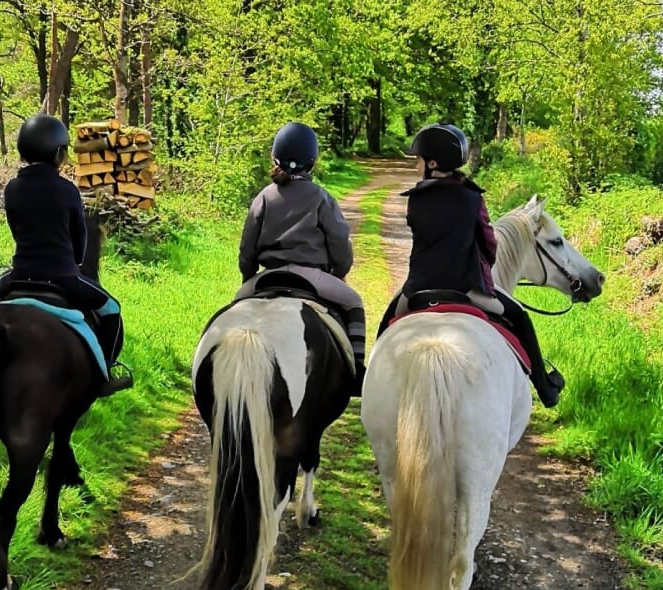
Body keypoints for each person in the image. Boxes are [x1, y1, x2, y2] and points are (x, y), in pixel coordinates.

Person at [378, 122, 563, 407]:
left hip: (418, 289)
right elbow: (489, 245)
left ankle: (372, 381)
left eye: (417, 160)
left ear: (433, 163)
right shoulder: (473, 197)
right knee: (520, 316)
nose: (415, 166)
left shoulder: (415, 199)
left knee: (387, 321)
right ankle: (545, 386)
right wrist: (484, 267)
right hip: (468, 289)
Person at [0, 114, 131, 397]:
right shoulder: (67, 190)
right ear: (58, 153)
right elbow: (79, 242)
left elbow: (17, 231)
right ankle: (108, 371)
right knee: (112, 309)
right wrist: (73, 259)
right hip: (62, 277)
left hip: (19, 275)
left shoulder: (12, 189)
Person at [235, 122, 366, 396]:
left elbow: (247, 249)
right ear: (312, 160)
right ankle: (356, 370)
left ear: (275, 157)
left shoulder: (264, 197)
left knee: (235, 309)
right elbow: (339, 245)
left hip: (268, 276)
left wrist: (249, 278)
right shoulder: (321, 197)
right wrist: (339, 271)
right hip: (312, 277)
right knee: (354, 302)